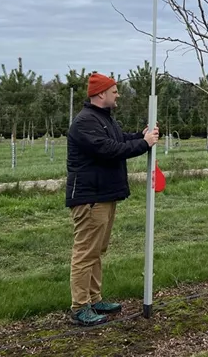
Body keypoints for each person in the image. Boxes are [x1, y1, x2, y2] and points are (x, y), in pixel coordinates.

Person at [65, 72, 159, 326]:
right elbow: (108, 150)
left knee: (97, 250)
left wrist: (141, 137)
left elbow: (119, 139)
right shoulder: (85, 122)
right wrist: (144, 144)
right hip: (90, 198)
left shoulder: (103, 119)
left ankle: (94, 299)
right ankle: (79, 307)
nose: (118, 95)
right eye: (114, 91)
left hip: (103, 195)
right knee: (86, 252)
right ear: (100, 94)